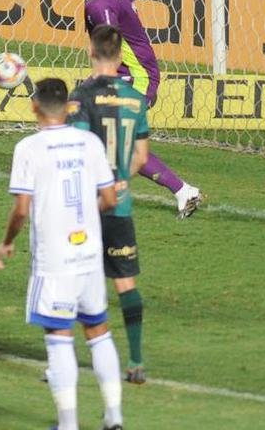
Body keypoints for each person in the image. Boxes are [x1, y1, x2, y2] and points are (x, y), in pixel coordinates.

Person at [0, 78, 124, 430]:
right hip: (89, 256)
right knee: (99, 331)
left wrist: (6, 242)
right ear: (68, 107)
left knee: (59, 337)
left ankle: (68, 424)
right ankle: (114, 417)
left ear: (34, 105)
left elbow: (22, 209)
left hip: (55, 260)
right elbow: (110, 199)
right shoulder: (89, 142)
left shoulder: (29, 148)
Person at [62, 0, 204, 217]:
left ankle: (179, 191)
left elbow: (109, 48)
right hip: (138, 71)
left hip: (136, 77)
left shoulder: (98, 5)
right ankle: (183, 191)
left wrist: (97, 82)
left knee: (106, 134)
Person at [69, 26, 152, 385]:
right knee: (125, 283)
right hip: (119, 205)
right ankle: (135, 361)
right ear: (120, 59)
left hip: (86, 206)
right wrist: (119, 180)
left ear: (91, 52)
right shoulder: (136, 99)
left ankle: (63, 360)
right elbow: (141, 156)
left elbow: (78, 150)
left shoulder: (82, 95)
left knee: (72, 281)